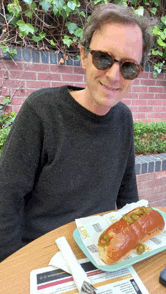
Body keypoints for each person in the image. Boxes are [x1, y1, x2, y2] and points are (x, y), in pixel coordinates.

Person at [0, 3, 152, 262]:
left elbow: (128, 195)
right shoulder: (42, 111)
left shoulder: (124, 118)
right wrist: (12, 267)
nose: (114, 75)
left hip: (99, 253)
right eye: (104, 58)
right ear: (83, 55)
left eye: (128, 66)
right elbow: (6, 197)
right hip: (41, 255)